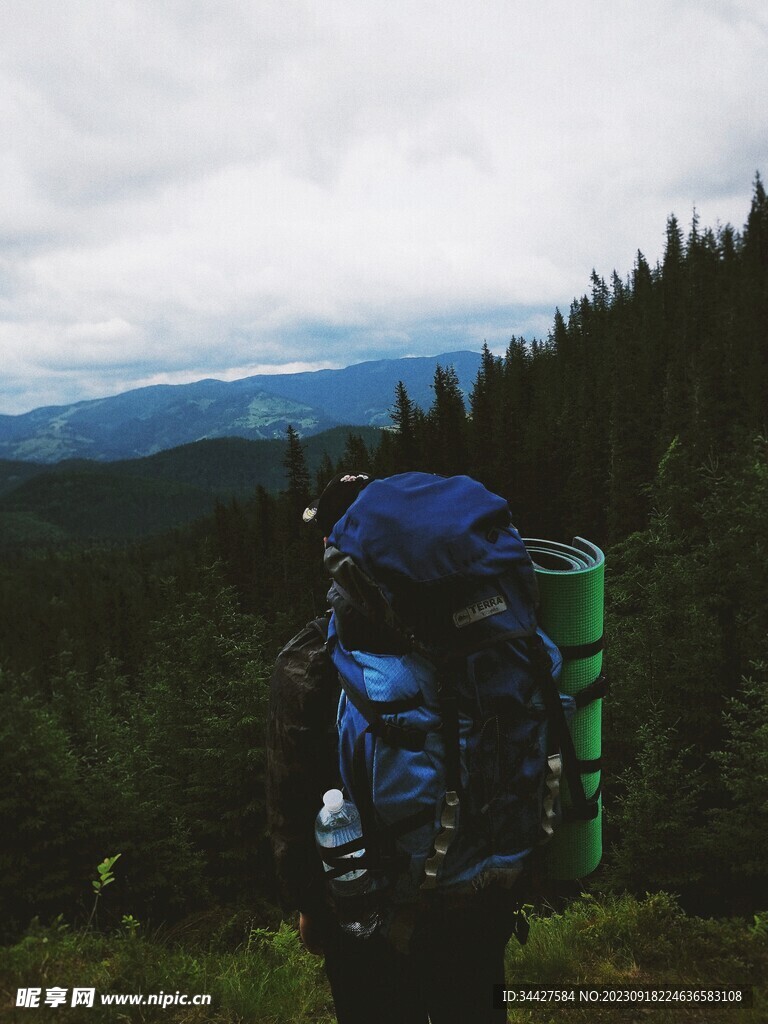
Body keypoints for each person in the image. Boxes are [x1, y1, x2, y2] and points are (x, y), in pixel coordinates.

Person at [266, 472, 520, 1024]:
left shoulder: (310, 663)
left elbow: (291, 797)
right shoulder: (486, 635)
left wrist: (308, 905)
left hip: (365, 915)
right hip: (475, 893)